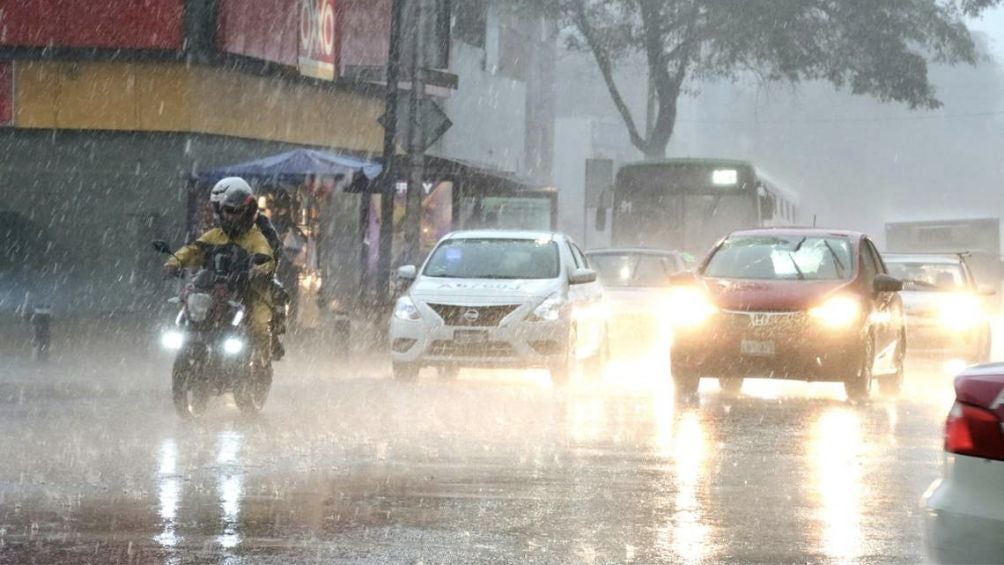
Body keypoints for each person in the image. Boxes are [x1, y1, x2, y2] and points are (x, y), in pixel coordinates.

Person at [164, 179, 275, 365]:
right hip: (213, 288)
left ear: (247, 213)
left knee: (259, 321)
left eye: (236, 212)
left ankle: (261, 363)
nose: (231, 217)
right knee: (190, 308)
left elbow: (266, 257)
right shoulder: (214, 235)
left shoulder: (256, 238)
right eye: (227, 211)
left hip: (245, 290)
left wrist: (258, 270)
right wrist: (173, 263)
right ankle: (193, 345)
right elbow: (193, 249)